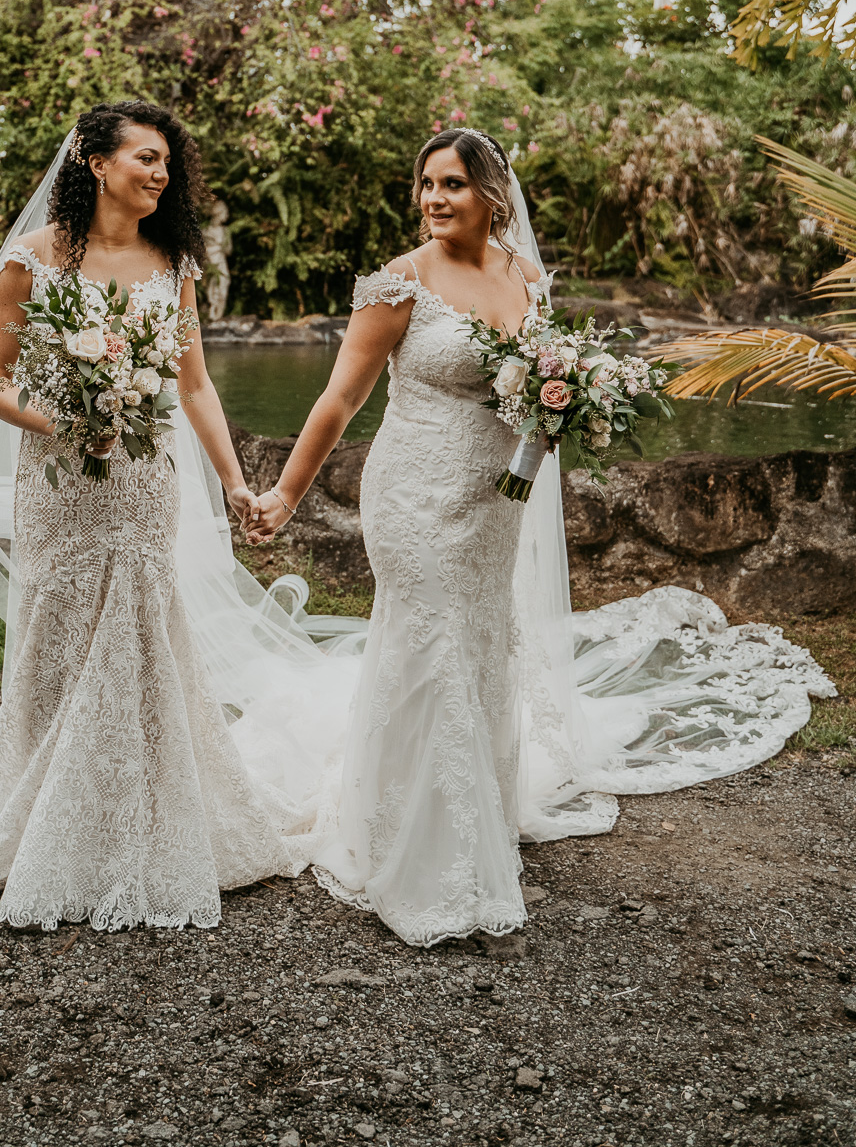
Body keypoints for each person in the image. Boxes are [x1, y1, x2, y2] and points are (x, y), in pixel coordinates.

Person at [245, 128, 836, 947]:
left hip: (495, 501)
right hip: (414, 491)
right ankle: (415, 850)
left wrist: (560, 414)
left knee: (481, 643)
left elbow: (542, 387)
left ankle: (469, 813)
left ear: (493, 194)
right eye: (424, 183)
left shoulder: (526, 277)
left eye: (450, 183)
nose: (432, 198)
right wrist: (284, 493)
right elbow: (340, 401)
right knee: (429, 643)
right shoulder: (397, 285)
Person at [0, 101, 300, 930]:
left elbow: (194, 384)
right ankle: (44, 804)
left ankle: (145, 809)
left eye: (167, 160)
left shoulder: (174, 263)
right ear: (96, 163)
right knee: (57, 626)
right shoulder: (33, 260)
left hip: (143, 480)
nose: (160, 173)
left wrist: (237, 483)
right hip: (59, 479)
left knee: (139, 626)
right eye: (144, 157)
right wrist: (64, 419)